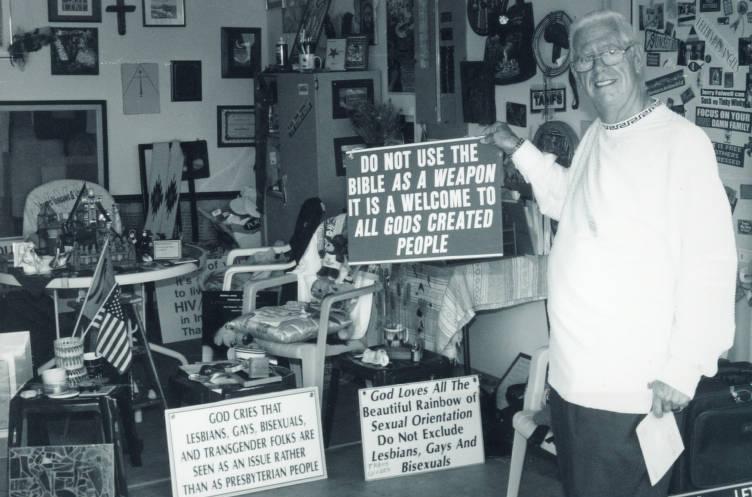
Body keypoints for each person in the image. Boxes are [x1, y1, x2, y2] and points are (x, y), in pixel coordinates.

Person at [483, 10, 737, 497]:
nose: (597, 68)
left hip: (634, 389)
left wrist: (684, 367)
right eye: (583, 61)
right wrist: (516, 147)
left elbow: (711, 264)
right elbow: (567, 201)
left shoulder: (681, 144)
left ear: (638, 58)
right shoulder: (598, 135)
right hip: (575, 379)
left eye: (609, 53)